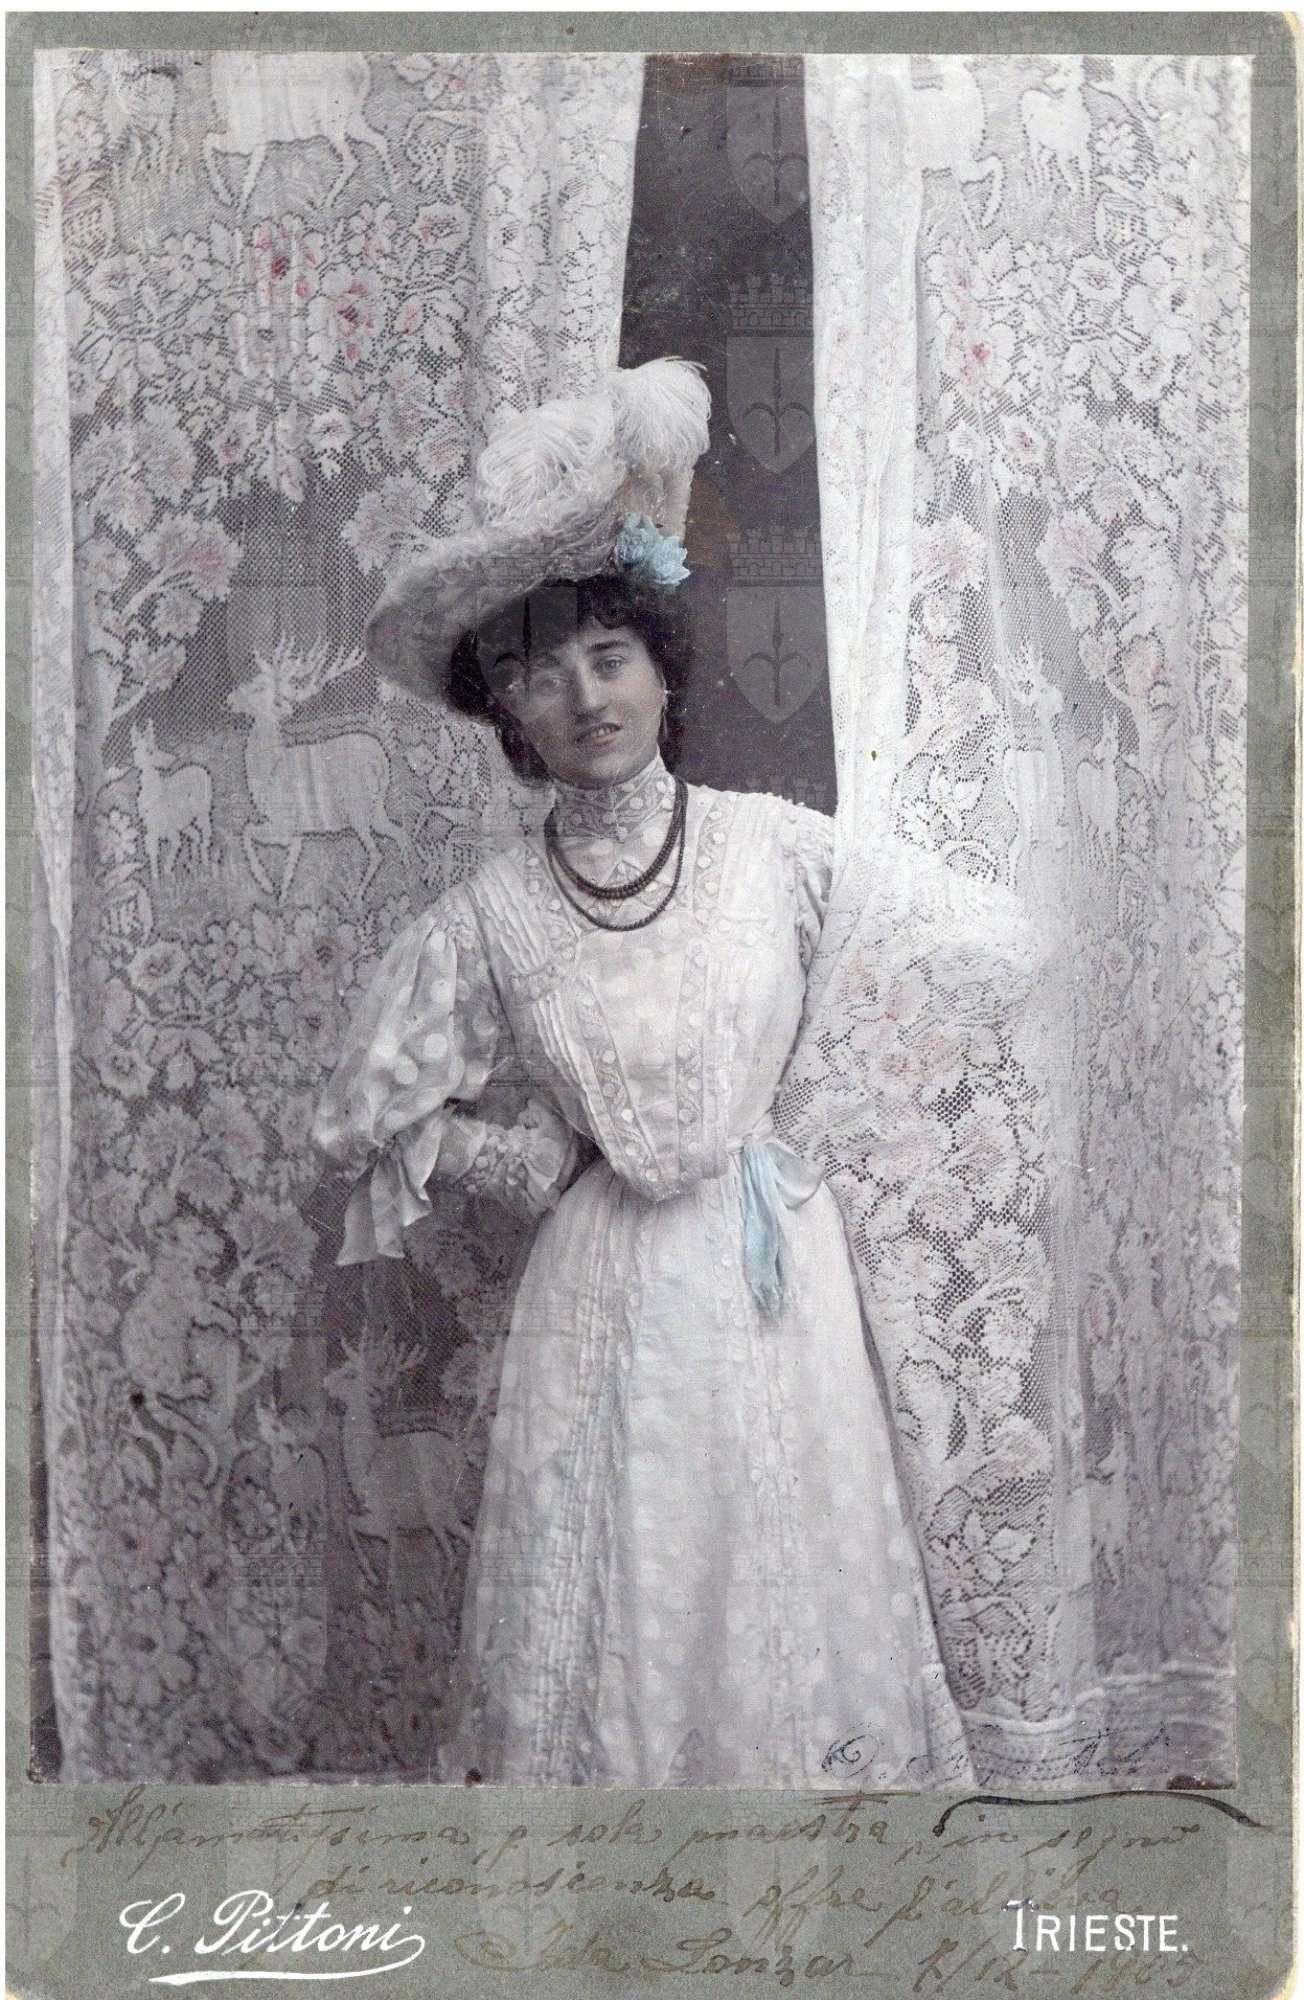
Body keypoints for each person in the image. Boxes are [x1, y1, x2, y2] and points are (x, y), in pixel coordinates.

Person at [312, 358, 972, 1788]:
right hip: (600, 1290)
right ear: (509, 716)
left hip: (768, 1282)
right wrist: (523, 1158)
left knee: (780, 1600)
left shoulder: (779, 851)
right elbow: (360, 1112)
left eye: (609, 657)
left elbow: (970, 955)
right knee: (612, 1614)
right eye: (539, 677)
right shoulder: (488, 917)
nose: (584, 697)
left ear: (663, 665)